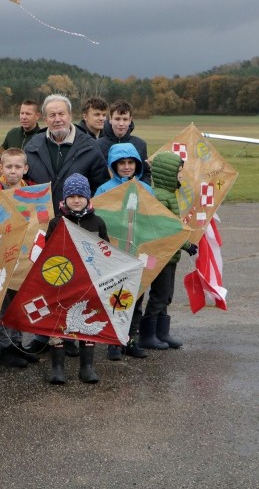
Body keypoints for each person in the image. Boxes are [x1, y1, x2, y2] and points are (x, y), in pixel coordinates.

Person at [23, 94, 109, 355]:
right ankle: (45, 334)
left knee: (74, 282)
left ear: (70, 116)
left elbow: (100, 188)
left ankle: (72, 333)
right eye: (52, 115)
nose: (57, 119)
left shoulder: (88, 147)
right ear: (45, 118)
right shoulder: (33, 145)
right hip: (43, 227)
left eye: (61, 114)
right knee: (46, 281)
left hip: (78, 228)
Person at [44, 173, 109, 385]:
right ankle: (58, 367)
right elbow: (48, 253)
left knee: (87, 322)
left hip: (88, 282)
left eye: (81, 195)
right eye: (71, 195)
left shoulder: (98, 222)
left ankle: (86, 367)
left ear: (88, 198)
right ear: (65, 198)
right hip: (61, 283)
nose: (76, 199)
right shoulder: (56, 222)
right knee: (58, 322)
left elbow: (105, 251)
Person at [94, 143, 152, 360]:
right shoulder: (104, 190)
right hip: (114, 253)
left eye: (130, 163)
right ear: (114, 165)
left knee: (136, 297)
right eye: (122, 163)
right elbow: (99, 220)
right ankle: (113, 341)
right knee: (115, 296)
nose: (127, 167)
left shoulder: (146, 190)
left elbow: (152, 219)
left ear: (136, 165)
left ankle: (131, 339)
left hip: (137, 251)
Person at [141, 152, 197, 351]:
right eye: (178, 172)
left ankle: (162, 332)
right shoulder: (161, 198)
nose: (181, 176)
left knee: (167, 295)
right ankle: (147, 334)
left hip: (170, 256)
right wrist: (187, 245)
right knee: (160, 294)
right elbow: (166, 229)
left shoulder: (168, 195)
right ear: (168, 174)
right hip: (162, 255)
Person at [0, 148, 40, 368]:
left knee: (20, 303)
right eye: (9, 167)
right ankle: (3, 348)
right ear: (1, 168)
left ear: (25, 169)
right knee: (4, 306)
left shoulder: (32, 192)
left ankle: (18, 344)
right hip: (3, 259)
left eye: (18, 167)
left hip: (25, 259)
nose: (13, 171)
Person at [97, 100, 152, 184]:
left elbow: (145, 174)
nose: (121, 123)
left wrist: (140, 190)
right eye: (117, 119)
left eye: (125, 119)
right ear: (110, 119)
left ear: (130, 120)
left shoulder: (140, 145)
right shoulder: (98, 145)